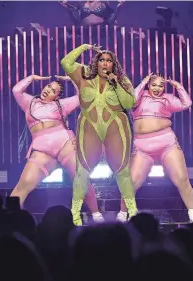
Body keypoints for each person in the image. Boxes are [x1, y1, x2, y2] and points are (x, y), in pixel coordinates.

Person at [10, 74, 104, 223]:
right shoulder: (29, 102)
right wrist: (31, 78)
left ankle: (97, 215)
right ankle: (12, 220)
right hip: (41, 149)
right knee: (23, 185)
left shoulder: (62, 105)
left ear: (56, 96)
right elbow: (16, 90)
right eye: (48, 86)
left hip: (64, 143)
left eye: (53, 90)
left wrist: (73, 80)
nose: (48, 90)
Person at [61, 43, 138, 225]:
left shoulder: (122, 79)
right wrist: (83, 47)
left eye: (109, 60)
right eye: (102, 60)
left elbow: (129, 104)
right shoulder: (84, 74)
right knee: (82, 171)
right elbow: (66, 62)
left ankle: (133, 211)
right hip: (90, 126)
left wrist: (116, 83)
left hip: (116, 126)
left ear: (113, 64)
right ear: (96, 62)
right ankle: (75, 214)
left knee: (122, 171)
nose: (105, 63)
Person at [116, 73, 193, 223]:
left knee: (181, 179)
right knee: (131, 183)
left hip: (166, 142)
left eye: (161, 85)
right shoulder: (139, 97)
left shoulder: (167, 98)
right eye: (153, 84)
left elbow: (186, 103)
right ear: (148, 85)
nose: (157, 88)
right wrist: (143, 82)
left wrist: (178, 86)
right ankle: (123, 213)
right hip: (142, 146)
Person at [59, 0, 125, 26]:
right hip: (85, 33)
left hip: (102, 33)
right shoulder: (80, 3)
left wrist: (119, 7)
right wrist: (66, 8)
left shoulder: (104, 3)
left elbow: (111, 18)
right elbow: (76, 20)